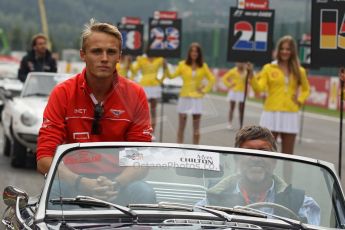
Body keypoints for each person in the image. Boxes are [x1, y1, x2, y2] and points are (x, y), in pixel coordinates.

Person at [36, 19, 155, 204]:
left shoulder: (135, 94)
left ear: (119, 56)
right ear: (83, 55)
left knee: (145, 193)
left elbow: (140, 158)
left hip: (119, 180)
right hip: (72, 179)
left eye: (111, 52)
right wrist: (80, 182)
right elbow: (44, 158)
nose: (105, 58)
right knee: (54, 191)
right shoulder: (63, 92)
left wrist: (116, 183)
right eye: (97, 51)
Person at [204, 125, 320, 225]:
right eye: (248, 152)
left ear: (274, 160)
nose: (256, 158)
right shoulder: (212, 198)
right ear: (237, 159)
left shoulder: (301, 204)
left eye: (263, 152)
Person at [248, 35, 310, 155]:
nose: (285, 52)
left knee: (288, 155)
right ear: (278, 50)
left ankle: (287, 175)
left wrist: (300, 100)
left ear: (292, 51)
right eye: (282, 49)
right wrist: (251, 75)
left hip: (290, 113)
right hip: (271, 112)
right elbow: (259, 88)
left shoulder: (299, 70)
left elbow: (306, 90)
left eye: (288, 49)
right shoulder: (268, 68)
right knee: (267, 153)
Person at [167, 42, 215, 144]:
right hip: (184, 98)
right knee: (181, 128)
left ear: (199, 53)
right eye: (192, 51)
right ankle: (178, 148)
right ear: (189, 53)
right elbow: (171, 76)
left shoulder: (203, 66)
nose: (194, 53)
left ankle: (196, 149)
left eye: (196, 51)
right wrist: (165, 66)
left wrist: (204, 90)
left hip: (197, 99)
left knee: (196, 130)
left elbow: (212, 79)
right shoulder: (182, 64)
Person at [131, 53, 166, 140]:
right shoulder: (141, 59)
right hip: (144, 86)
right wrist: (130, 65)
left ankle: (152, 132)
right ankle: (142, 131)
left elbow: (166, 72)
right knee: (143, 111)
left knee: (153, 111)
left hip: (155, 86)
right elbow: (134, 71)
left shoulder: (160, 59)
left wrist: (160, 80)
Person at [222, 62, 248, 130]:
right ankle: (229, 123)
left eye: (242, 63)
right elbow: (224, 78)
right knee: (232, 107)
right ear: (236, 63)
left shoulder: (246, 72)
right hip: (233, 91)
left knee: (241, 109)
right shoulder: (232, 71)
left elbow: (249, 81)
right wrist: (229, 85)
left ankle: (241, 125)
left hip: (242, 92)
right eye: (239, 63)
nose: (241, 64)